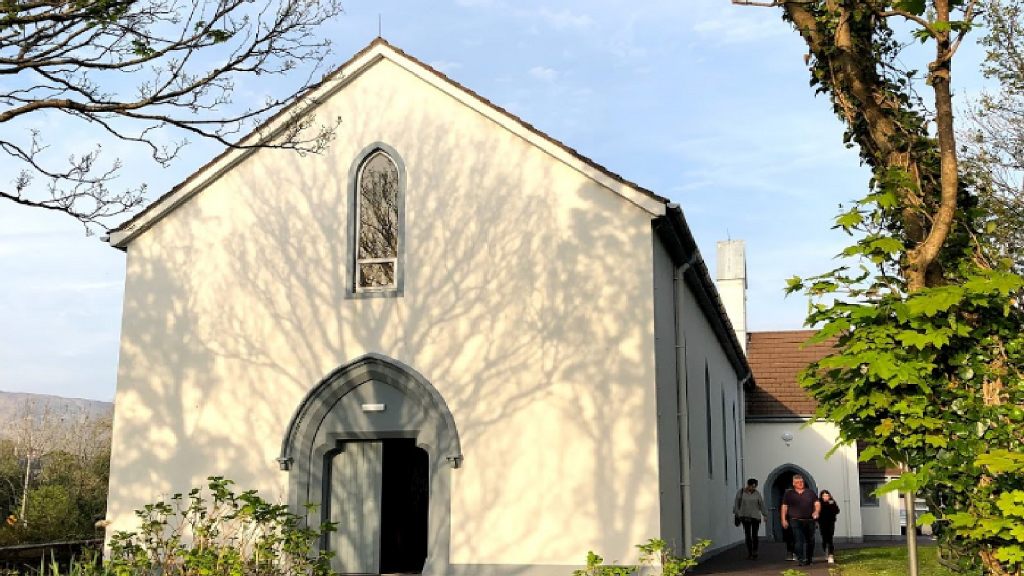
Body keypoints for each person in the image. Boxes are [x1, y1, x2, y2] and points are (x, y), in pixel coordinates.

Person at [781, 474, 820, 566]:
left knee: (810, 540)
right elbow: (784, 506)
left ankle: (809, 559)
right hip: (795, 520)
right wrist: (783, 519)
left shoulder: (810, 492)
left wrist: (817, 511)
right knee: (798, 540)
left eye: (801, 482)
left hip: (809, 520)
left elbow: (817, 503)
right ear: (794, 484)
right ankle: (801, 559)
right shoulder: (789, 494)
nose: (800, 484)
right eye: (798, 482)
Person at [733, 478, 768, 559]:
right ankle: (750, 552)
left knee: (755, 535)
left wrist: (765, 514)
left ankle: (755, 551)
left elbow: (761, 504)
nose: (753, 488)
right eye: (752, 486)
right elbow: (736, 504)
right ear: (748, 485)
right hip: (745, 517)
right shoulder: (741, 493)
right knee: (748, 535)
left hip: (755, 516)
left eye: (755, 487)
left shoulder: (757, 493)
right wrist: (738, 514)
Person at [818, 489, 840, 564]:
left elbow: (837, 511)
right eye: (824, 496)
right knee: (824, 538)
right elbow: (818, 512)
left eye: (827, 495)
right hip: (822, 523)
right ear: (821, 496)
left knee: (830, 538)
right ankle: (826, 551)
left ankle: (831, 554)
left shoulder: (832, 502)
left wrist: (832, 504)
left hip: (830, 522)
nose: (826, 497)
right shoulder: (819, 503)